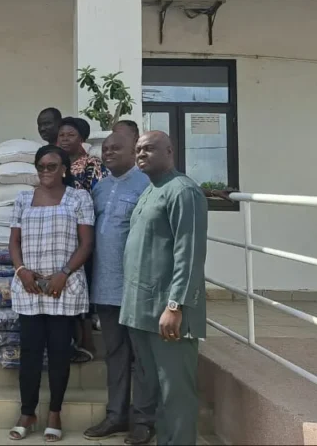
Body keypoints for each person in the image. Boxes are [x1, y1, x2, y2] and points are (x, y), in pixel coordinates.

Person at [120, 131, 208, 446]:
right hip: (141, 311)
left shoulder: (183, 192)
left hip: (168, 313)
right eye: (138, 149)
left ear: (169, 151)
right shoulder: (150, 190)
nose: (141, 154)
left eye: (149, 148)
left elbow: (190, 254)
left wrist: (175, 306)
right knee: (156, 390)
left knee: (176, 392)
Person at [8, 145, 95, 443]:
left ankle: (55, 413)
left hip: (63, 288)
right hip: (29, 287)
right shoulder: (23, 198)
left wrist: (64, 273)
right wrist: (21, 271)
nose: (46, 171)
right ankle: (27, 413)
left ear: (64, 169)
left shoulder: (79, 198)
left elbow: (86, 243)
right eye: (41, 166)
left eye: (52, 166)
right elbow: (14, 242)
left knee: (59, 353)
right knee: (30, 353)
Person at [83, 132, 156, 444]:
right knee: (114, 353)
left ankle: (143, 419)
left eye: (116, 148)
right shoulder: (100, 187)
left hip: (136, 287)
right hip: (105, 287)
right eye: (105, 148)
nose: (108, 152)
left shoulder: (147, 185)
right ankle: (116, 415)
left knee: (142, 356)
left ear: (134, 151)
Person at [57, 117, 102, 363]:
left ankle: (87, 342)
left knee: (83, 283)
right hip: (61, 236)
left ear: (82, 139)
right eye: (61, 135)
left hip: (83, 234)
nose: (64, 139)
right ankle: (71, 342)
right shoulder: (57, 164)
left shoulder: (92, 164)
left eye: (70, 135)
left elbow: (99, 197)